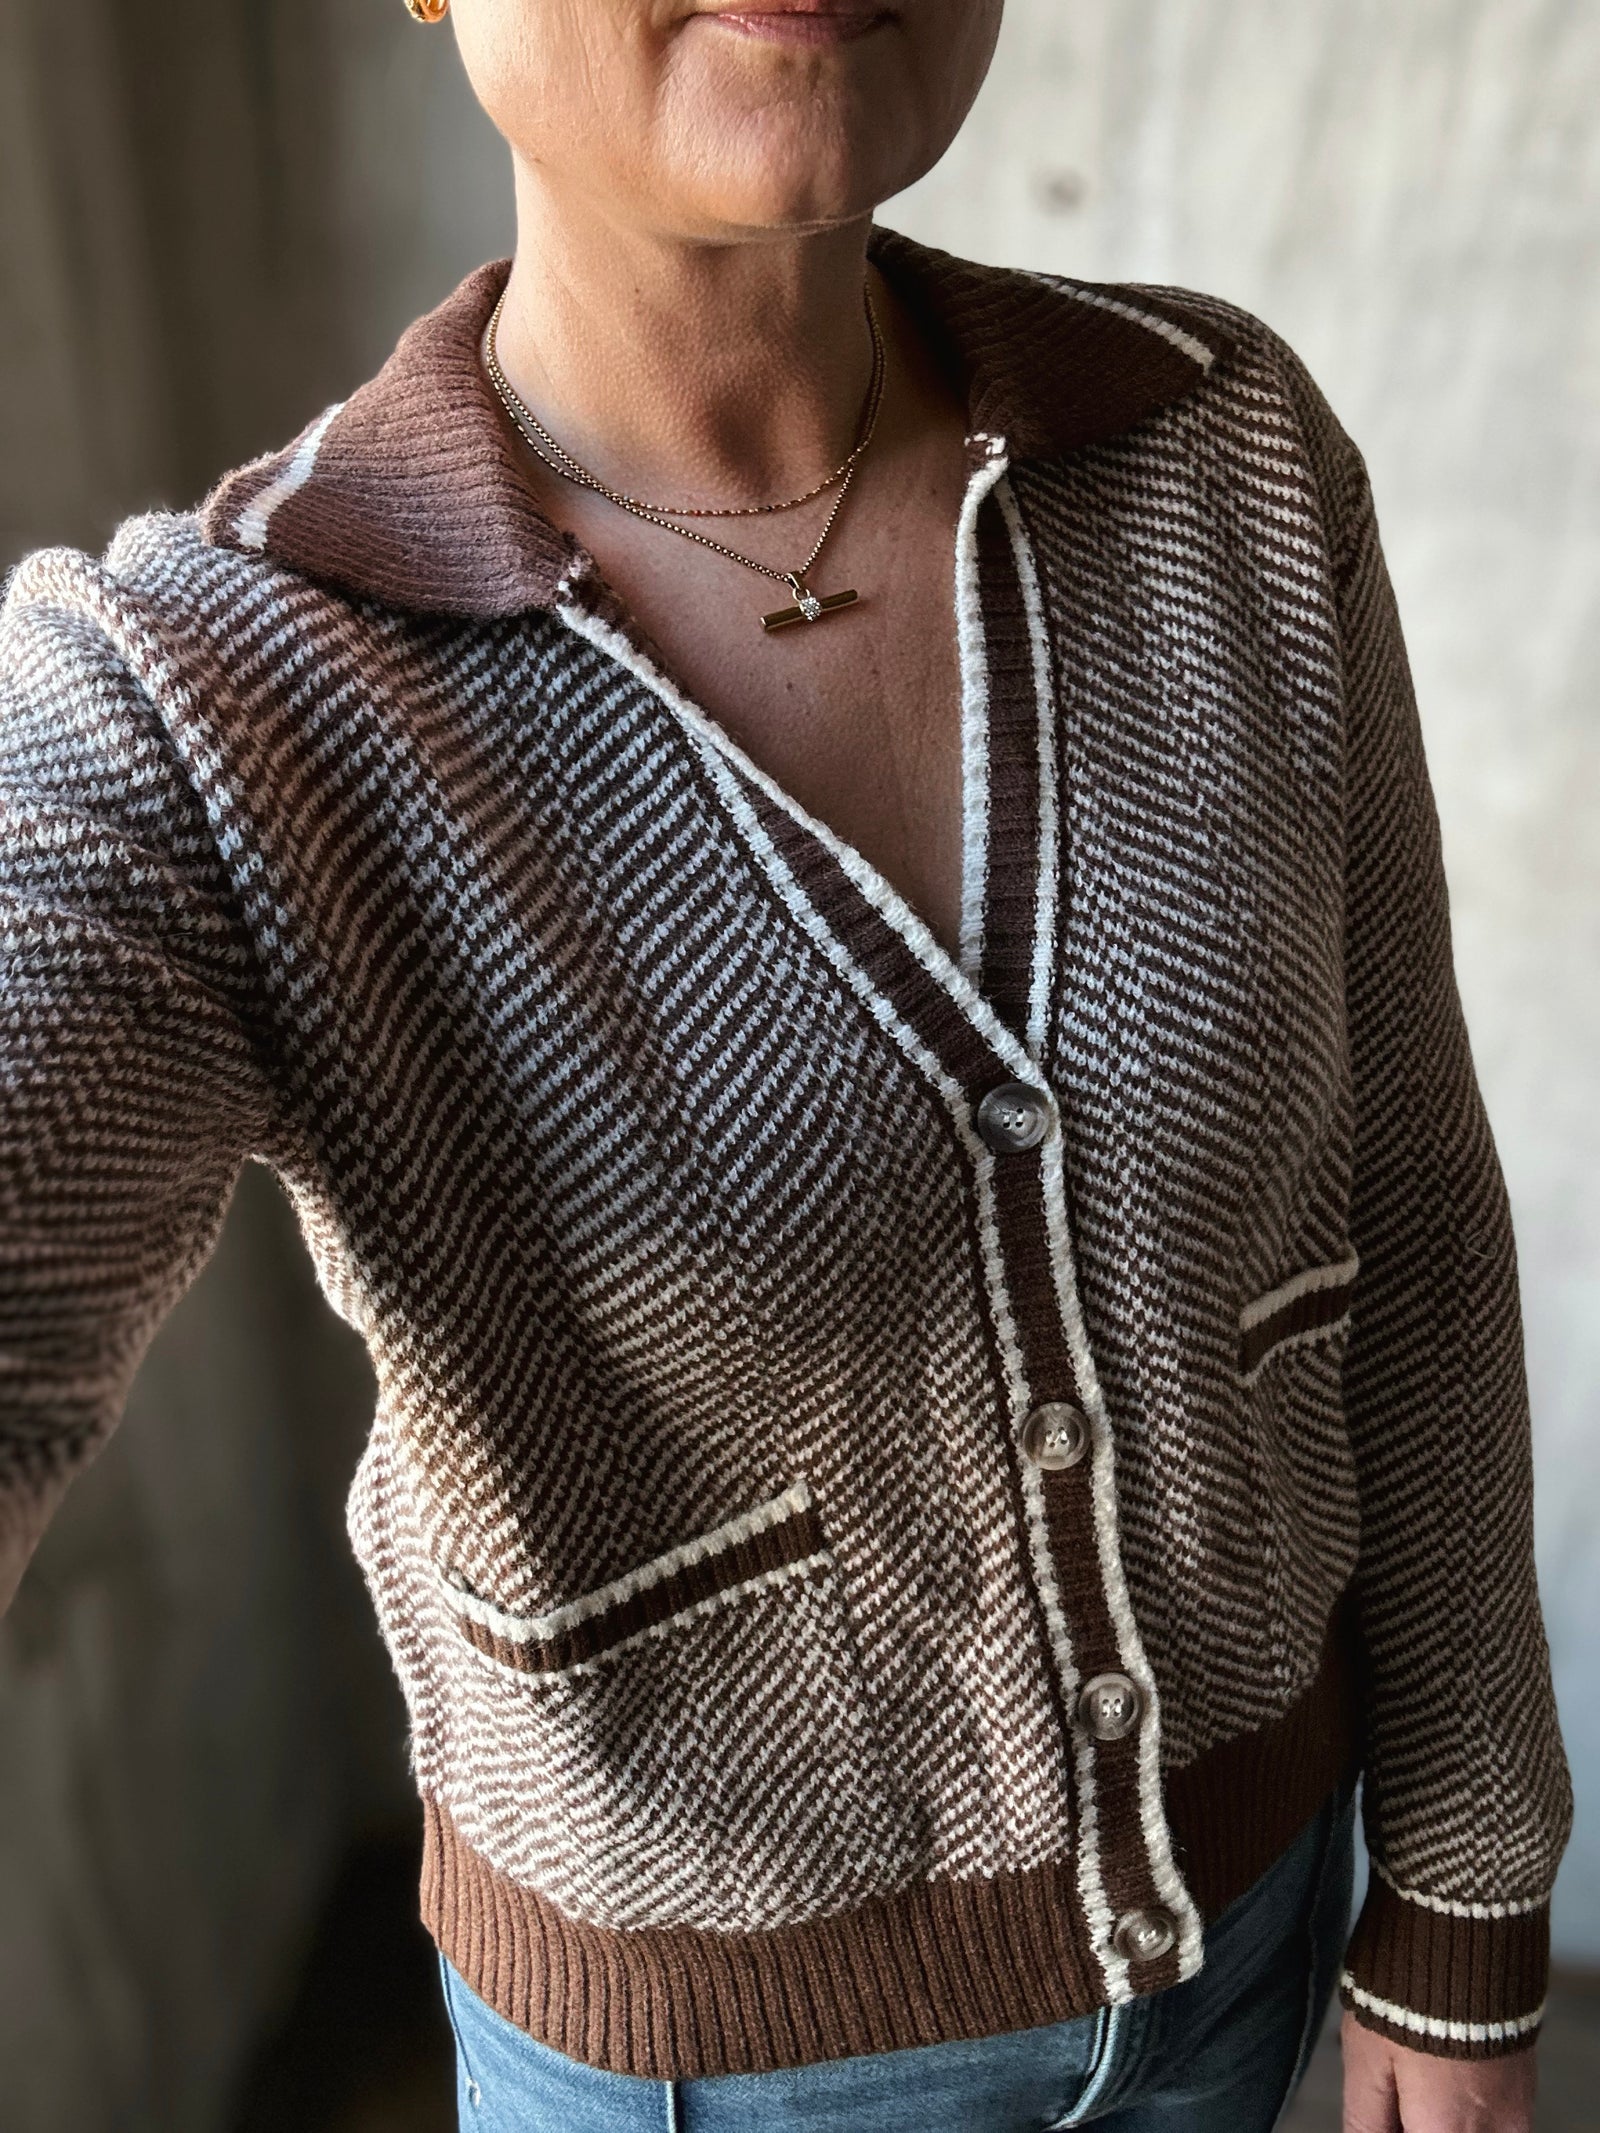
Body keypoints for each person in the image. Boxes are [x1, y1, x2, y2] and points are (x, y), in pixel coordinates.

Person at [0, 0, 1571, 2127]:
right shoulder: (216, 698)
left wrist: (1464, 1897)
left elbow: (1407, 1203)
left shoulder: (1224, 459)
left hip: (1257, 1950)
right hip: (690, 2085)